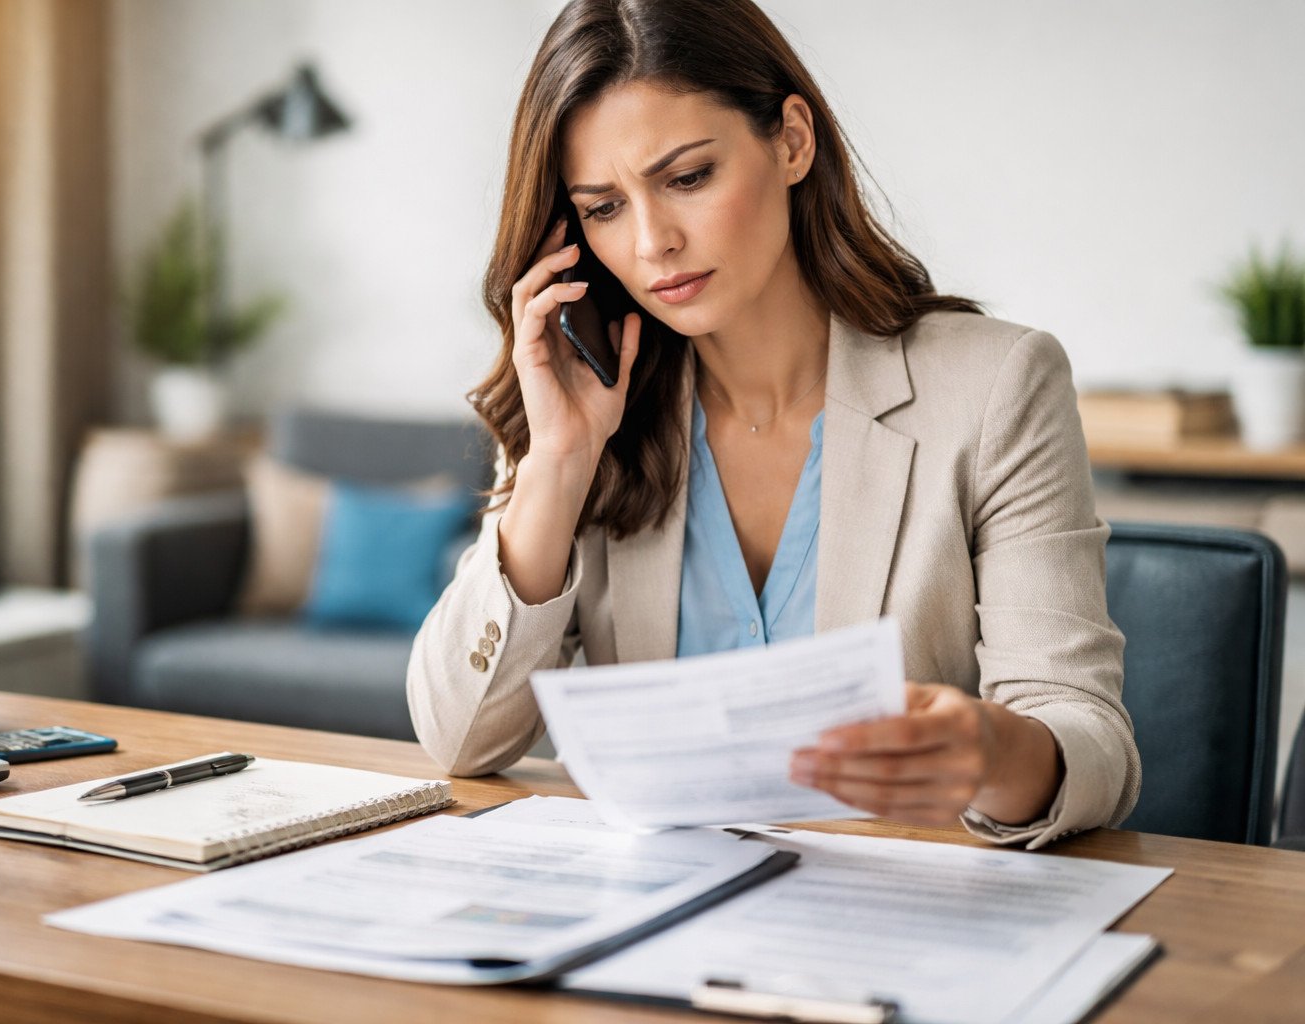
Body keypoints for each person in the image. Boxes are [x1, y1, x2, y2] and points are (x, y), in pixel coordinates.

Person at [407, 0, 1139, 848]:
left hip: (895, 934)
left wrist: (989, 749)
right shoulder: (578, 407)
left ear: (792, 141)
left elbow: (1094, 743)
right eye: (603, 207)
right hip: (644, 930)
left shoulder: (995, 383)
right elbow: (461, 741)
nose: (653, 243)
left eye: (687, 178)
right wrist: (559, 463)